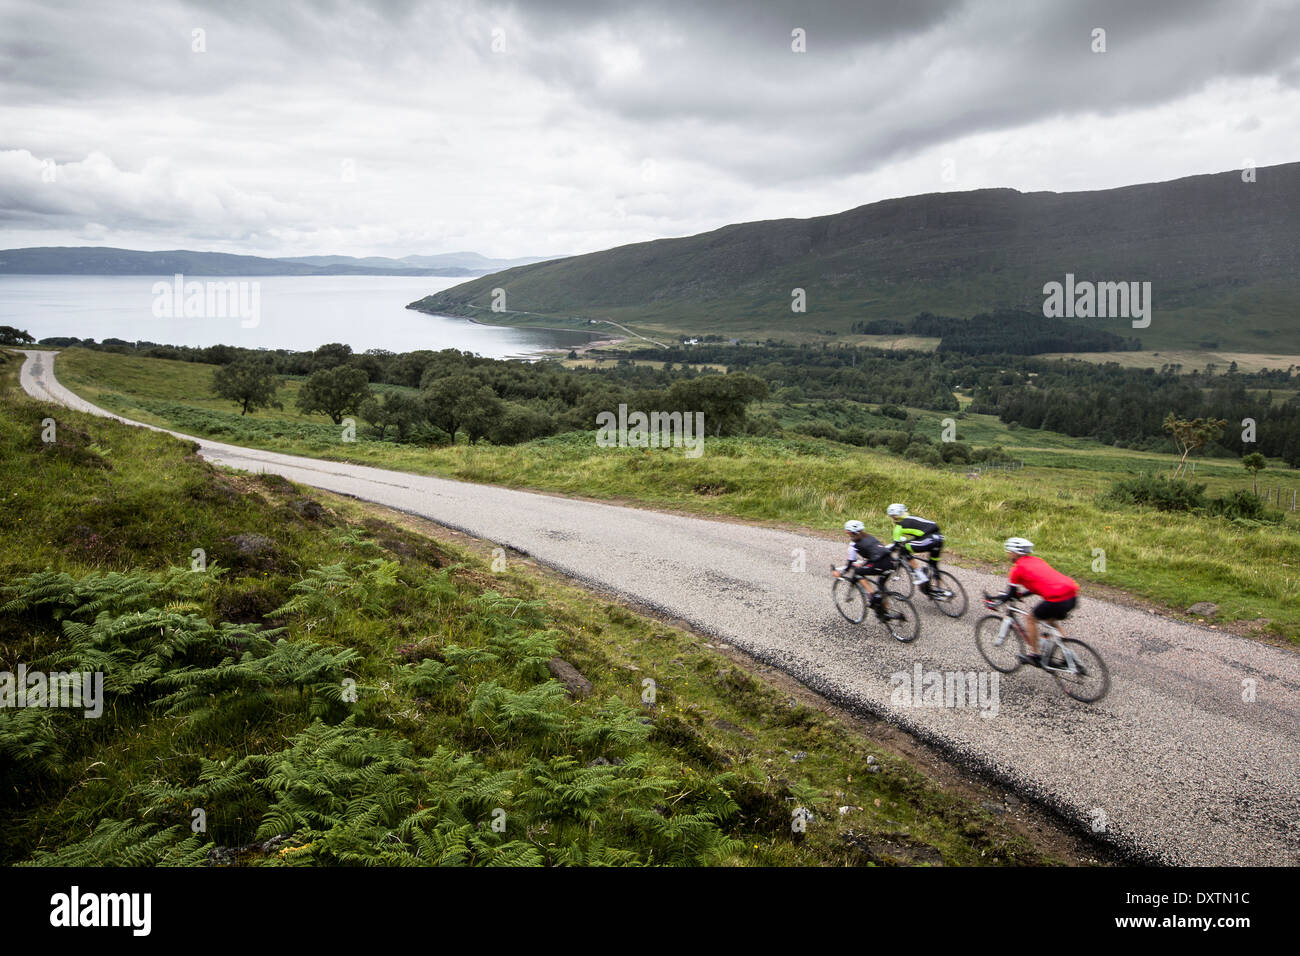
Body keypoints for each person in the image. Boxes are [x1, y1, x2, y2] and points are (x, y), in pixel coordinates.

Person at [997, 537, 1078, 667]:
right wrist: (1023, 594)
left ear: (1015, 553)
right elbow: (1039, 583)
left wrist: (995, 600)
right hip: (1072, 595)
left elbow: (1009, 595)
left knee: (1031, 619)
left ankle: (1035, 655)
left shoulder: (1017, 569)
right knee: (1051, 621)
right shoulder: (1037, 560)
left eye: (1009, 551)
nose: (1008, 554)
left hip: (1056, 598)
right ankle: (1070, 656)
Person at [835, 519, 898, 611]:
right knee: (881, 585)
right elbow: (875, 553)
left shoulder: (853, 545)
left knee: (857, 572)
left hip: (879, 564)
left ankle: (873, 596)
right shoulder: (870, 537)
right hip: (891, 562)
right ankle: (886, 610)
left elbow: (850, 564)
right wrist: (865, 564)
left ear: (849, 532)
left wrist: (841, 573)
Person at [886, 503, 944, 591]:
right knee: (933, 564)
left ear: (895, 516)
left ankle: (920, 575)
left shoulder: (899, 526)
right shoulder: (913, 518)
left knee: (904, 548)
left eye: (892, 516)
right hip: (939, 537)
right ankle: (939, 590)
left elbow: (896, 545)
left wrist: (886, 550)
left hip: (929, 539)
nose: (892, 518)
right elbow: (923, 532)